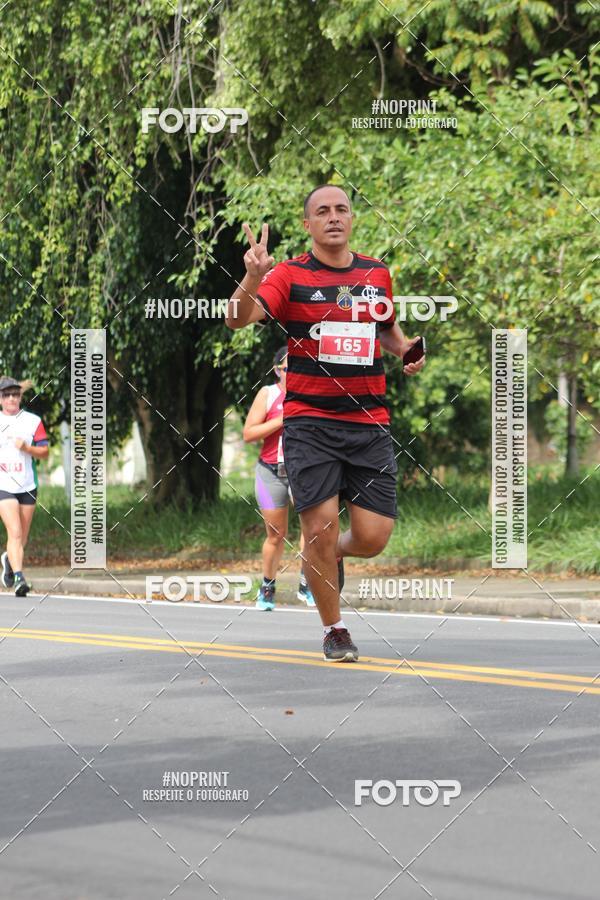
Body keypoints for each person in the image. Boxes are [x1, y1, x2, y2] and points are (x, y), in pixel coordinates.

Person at [226, 184, 425, 662]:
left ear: (351, 219)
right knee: (317, 529)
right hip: (310, 424)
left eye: (341, 209)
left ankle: (327, 555)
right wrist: (253, 276)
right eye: (322, 211)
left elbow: (387, 331)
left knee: (374, 539)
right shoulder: (290, 274)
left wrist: (407, 351)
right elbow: (236, 318)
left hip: (368, 422)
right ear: (307, 224)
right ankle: (334, 629)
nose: (333, 217)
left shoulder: (376, 273)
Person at [243, 346, 316, 610]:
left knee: (312, 531)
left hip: (304, 471)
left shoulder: (311, 395)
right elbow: (249, 433)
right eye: (287, 369)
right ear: (277, 371)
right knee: (276, 534)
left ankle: (308, 585)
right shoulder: (268, 393)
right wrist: (283, 419)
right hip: (269, 472)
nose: (292, 374)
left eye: (297, 369)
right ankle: (267, 588)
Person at [0, 376, 49, 596]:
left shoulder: (33, 421)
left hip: (28, 484)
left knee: (22, 537)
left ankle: (8, 560)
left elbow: (45, 451)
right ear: (0, 399)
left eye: (15, 394)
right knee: (16, 532)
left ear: (20, 396)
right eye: (6, 395)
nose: (11, 398)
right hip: (3, 485)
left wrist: (27, 448)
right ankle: (20, 579)